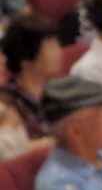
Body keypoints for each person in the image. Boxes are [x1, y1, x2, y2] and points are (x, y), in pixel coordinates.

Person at [0, 16, 61, 160]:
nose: (59, 52)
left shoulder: (57, 93)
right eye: (51, 47)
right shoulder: (7, 105)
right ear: (26, 59)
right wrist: (50, 144)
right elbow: (6, 155)